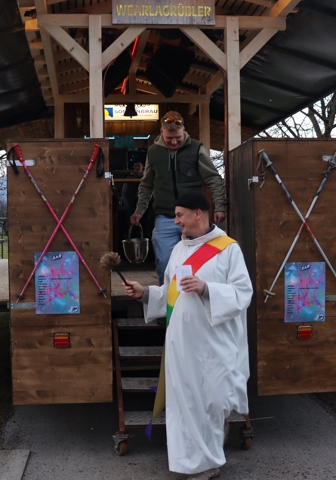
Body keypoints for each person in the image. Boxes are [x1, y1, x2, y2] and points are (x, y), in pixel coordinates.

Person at [122, 191, 252, 480]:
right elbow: (171, 292)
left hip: (213, 345)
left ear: (198, 214)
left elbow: (243, 293)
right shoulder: (179, 250)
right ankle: (190, 463)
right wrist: (145, 294)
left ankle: (208, 462)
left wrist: (207, 289)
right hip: (181, 345)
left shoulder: (229, 249)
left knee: (209, 401)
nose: (175, 221)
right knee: (184, 405)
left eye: (179, 215)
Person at [130, 111, 226, 285]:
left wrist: (219, 206)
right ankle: (168, 303)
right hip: (165, 216)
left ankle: (196, 299)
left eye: (178, 138)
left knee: (197, 262)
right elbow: (146, 185)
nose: (174, 142)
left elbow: (213, 178)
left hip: (193, 216)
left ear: (184, 131)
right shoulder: (153, 152)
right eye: (169, 138)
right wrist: (139, 210)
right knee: (164, 263)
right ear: (162, 132)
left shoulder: (196, 148)